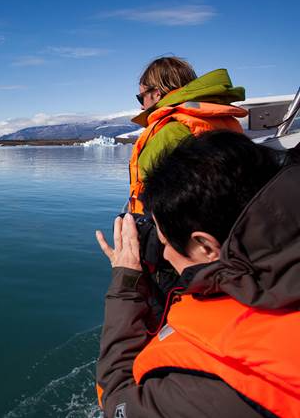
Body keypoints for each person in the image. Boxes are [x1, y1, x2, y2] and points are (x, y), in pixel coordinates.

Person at [95, 131, 300, 417]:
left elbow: (117, 401)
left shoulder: (206, 390)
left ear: (205, 246)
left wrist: (127, 281)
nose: (164, 254)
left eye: (165, 243)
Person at [128, 57, 247, 214]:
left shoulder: (171, 132)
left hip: (171, 229)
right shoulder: (214, 120)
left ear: (156, 94)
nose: (141, 105)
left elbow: (153, 192)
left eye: (141, 97)